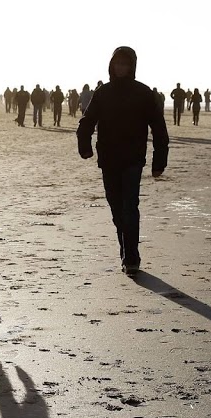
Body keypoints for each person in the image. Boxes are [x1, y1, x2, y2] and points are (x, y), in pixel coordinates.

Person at [77, 46, 168, 277]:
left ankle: (131, 257)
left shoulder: (143, 93)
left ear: (132, 66)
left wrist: (159, 161)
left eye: (125, 64)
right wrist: (84, 147)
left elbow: (158, 127)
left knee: (130, 207)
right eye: (117, 63)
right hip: (108, 159)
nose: (121, 68)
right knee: (117, 209)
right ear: (111, 65)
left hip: (133, 159)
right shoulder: (103, 92)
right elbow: (87, 122)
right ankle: (126, 249)